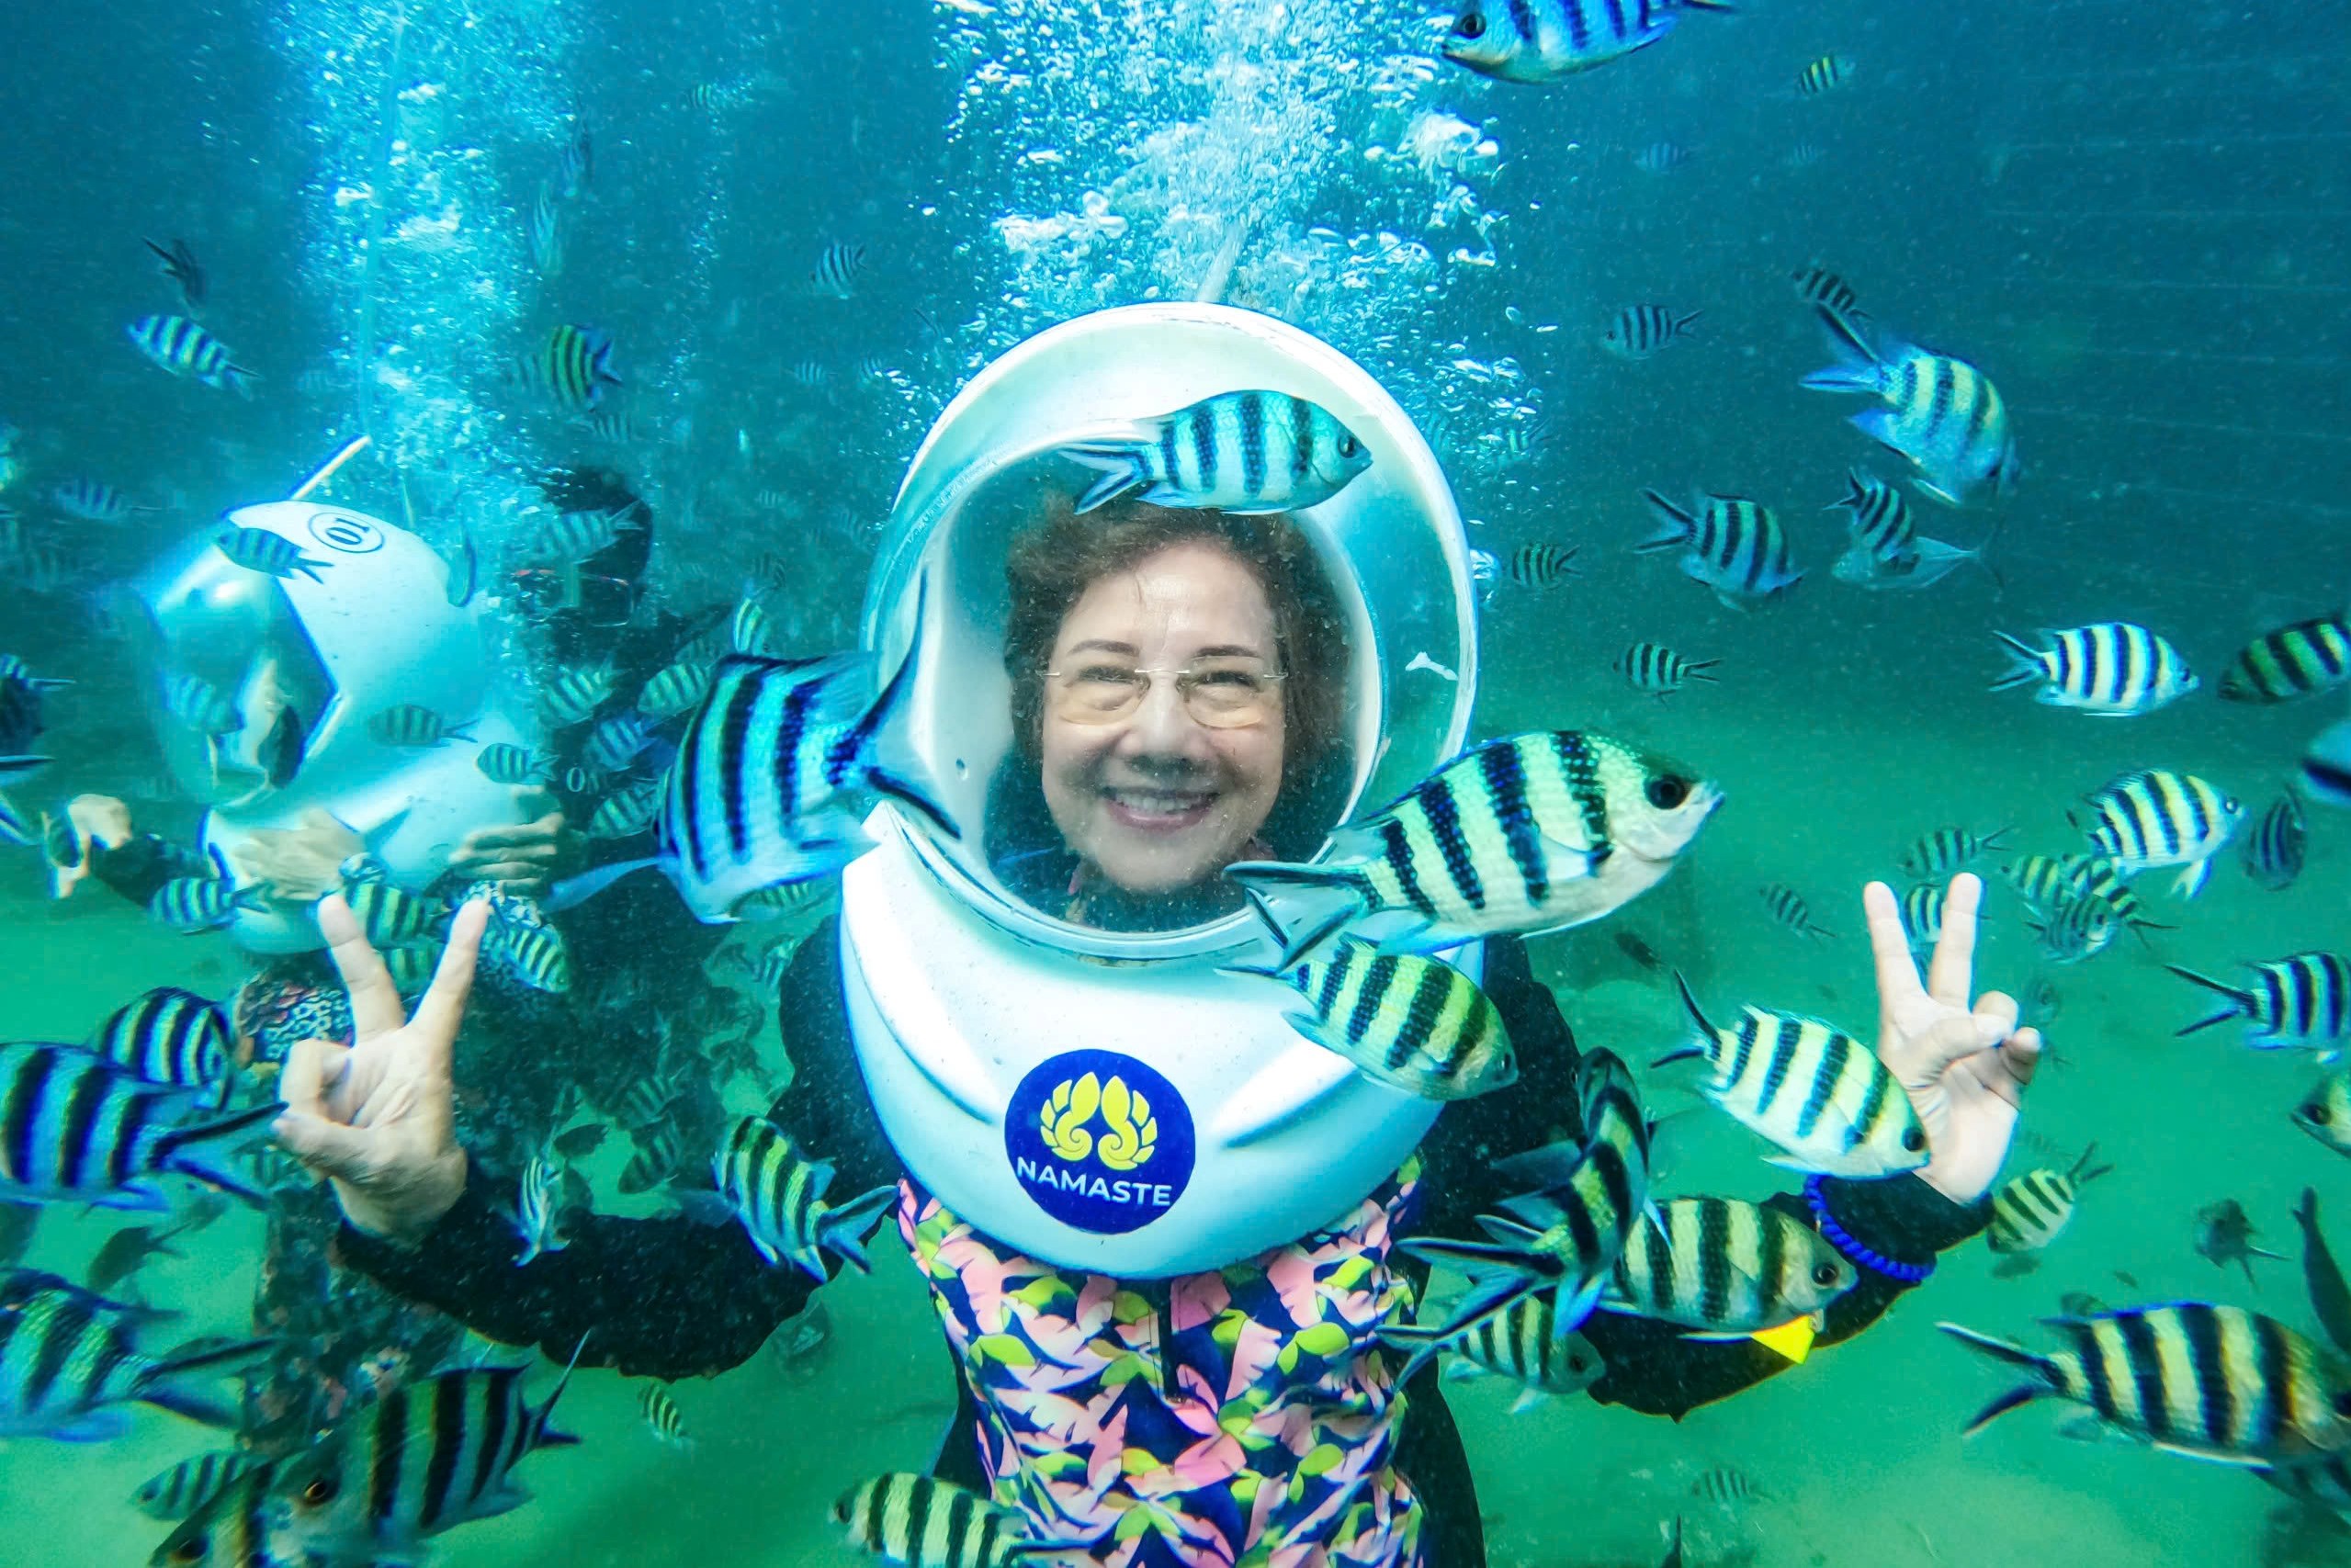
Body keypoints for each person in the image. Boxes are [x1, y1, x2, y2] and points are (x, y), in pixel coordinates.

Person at [269, 305, 2040, 1568]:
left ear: (1320, 717)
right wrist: (432, 1218)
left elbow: (1635, 1350)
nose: (1164, 734)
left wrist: (1907, 1211)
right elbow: (712, 1302)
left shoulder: (1451, 999)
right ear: (1018, 706)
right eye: (1103, 673)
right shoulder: (874, 981)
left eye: (1232, 680)